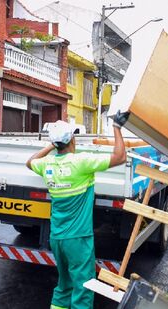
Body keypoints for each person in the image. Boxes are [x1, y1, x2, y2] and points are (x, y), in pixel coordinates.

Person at [26, 112, 129, 309]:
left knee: (64, 286)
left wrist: (52, 144)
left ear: (56, 143)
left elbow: (29, 161)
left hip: (57, 237)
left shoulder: (46, 165)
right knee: (83, 288)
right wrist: (117, 127)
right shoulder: (81, 162)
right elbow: (120, 157)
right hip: (78, 239)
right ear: (72, 139)